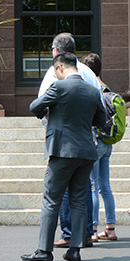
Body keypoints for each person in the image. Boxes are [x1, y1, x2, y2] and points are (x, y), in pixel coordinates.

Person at [21, 52, 106, 261]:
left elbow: (34, 106)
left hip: (61, 150)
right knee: (78, 201)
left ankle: (44, 251)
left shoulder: (59, 87)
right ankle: (75, 250)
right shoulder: (93, 90)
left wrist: (51, 112)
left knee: (51, 200)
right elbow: (101, 120)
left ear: (59, 68)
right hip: (86, 152)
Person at [39, 33, 102, 248]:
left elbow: (41, 106)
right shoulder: (90, 74)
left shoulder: (55, 73)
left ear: (56, 52)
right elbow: (100, 112)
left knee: (57, 194)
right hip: (87, 143)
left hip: (62, 144)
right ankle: (82, 237)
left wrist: (57, 123)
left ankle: (65, 236)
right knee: (81, 193)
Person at [81, 53, 118, 241]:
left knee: (93, 186)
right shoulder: (108, 89)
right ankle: (110, 229)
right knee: (105, 185)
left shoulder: (91, 88)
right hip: (107, 142)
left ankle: (93, 229)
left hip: (94, 141)